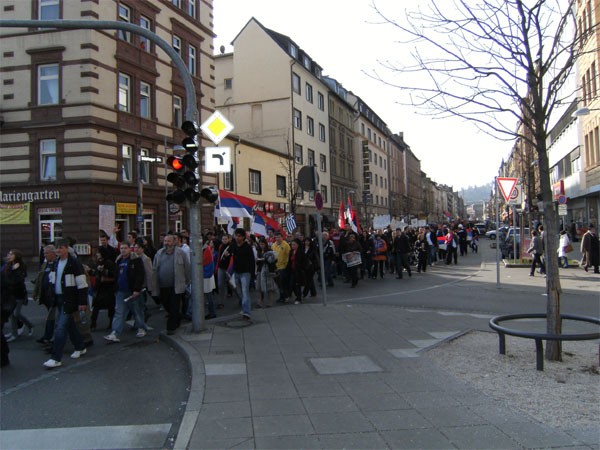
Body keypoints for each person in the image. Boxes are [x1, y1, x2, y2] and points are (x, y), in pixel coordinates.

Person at [43, 239, 88, 369]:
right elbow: (52, 281)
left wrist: (82, 301)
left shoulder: (74, 263)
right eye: (57, 248)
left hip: (69, 300)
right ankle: (80, 346)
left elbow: (82, 283)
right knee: (69, 325)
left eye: (61, 248)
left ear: (67, 249)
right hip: (59, 299)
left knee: (61, 327)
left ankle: (56, 357)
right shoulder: (56, 263)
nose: (58, 251)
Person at [104, 242, 147, 343]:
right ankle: (115, 332)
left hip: (132, 290)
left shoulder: (136, 260)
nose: (123, 250)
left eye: (125, 248)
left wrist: (137, 289)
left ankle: (141, 327)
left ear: (129, 249)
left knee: (137, 310)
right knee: (119, 312)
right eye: (121, 248)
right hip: (121, 290)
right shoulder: (118, 260)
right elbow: (116, 275)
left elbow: (140, 275)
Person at [151, 234, 191, 335]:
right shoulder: (159, 253)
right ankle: (177, 317)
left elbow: (187, 268)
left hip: (176, 285)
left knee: (174, 305)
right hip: (163, 285)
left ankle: (171, 327)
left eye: (168, 241)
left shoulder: (181, 253)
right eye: (165, 241)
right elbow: (155, 268)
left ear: (174, 242)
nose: (166, 243)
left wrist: (187, 281)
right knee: (166, 304)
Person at [4, 250, 33, 342]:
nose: (9, 255)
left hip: (19, 292)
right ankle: (14, 333)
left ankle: (29, 325)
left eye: (12, 254)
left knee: (16, 313)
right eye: (9, 254)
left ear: (16, 256)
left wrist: (15, 269)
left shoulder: (20, 266)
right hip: (10, 292)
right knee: (11, 314)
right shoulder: (8, 265)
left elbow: (19, 279)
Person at [33, 245, 59, 344]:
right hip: (46, 295)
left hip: (53, 295)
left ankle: (51, 337)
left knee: (52, 317)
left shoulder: (57, 264)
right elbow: (40, 278)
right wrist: (37, 292)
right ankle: (48, 336)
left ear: (53, 253)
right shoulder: (45, 264)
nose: (45, 255)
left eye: (46, 253)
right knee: (50, 316)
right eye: (44, 253)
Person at [230, 229, 255, 319]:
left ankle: (247, 311)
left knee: (245, 292)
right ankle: (244, 308)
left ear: (243, 237)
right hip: (236, 272)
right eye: (236, 235)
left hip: (245, 272)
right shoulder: (234, 246)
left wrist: (252, 274)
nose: (237, 237)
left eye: (239, 236)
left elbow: (252, 261)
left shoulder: (247, 247)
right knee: (239, 292)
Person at [90, 248, 116, 331]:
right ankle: (93, 324)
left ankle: (111, 323)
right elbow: (96, 273)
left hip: (108, 288)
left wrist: (105, 272)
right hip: (99, 288)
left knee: (110, 306)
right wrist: (91, 271)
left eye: (98, 253)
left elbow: (113, 274)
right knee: (96, 307)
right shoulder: (98, 263)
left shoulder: (108, 263)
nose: (97, 254)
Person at [272, 231, 291, 303]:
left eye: (279, 237)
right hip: (275, 267)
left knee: (283, 282)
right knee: (278, 284)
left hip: (283, 267)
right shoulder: (273, 245)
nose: (277, 238)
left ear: (282, 237)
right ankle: (281, 296)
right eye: (276, 237)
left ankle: (286, 296)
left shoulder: (286, 245)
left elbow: (289, 255)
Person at [216, 234, 234, 309]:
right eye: (223, 239)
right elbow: (219, 256)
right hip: (221, 267)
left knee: (233, 285)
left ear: (229, 239)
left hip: (228, 269)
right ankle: (221, 302)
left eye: (225, 239)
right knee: (220, 285)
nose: (224, 240)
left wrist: (228, 255)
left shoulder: (232, 246)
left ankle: (241, 299)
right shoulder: (221, 246)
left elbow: (233, 256)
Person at [203, 240, 217, 319]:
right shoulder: (207, 249)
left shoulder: (206, 250)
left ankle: (212, 312)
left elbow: (204, 262)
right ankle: (211, 312)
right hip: (207, 276)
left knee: (209, 296)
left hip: (206, 276)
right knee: (208, 296)